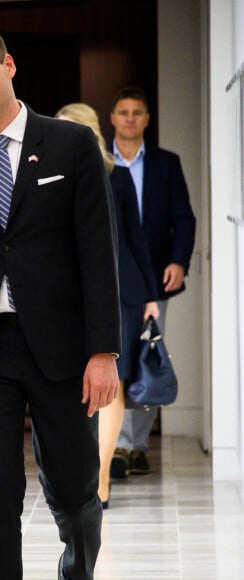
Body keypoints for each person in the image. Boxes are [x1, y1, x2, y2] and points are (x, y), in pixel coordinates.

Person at [0, 26, 121, 580]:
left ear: (9, 66)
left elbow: (97, 255)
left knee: (76, 491)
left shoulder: (70, 144)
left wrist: (104, 350)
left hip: (62, 348)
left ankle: (76, 571)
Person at [56, 102, 160, 508]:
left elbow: (136, 238)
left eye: (67, 130)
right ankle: (83, 476)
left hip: (120, 292)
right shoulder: (48, 176)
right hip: (69, 296)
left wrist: (151, 295)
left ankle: (100, 481)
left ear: (86, 133)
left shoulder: (114, 176)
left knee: (110, 385)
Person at [109, 87, 196, 478]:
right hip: (110, 280)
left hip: (156, 278)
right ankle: (116, 446)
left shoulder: (166, 164)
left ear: (146, 119)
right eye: (123, 112)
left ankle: (135, 446)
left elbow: (185, 218)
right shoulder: (101, 162)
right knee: (116, 359)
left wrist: (179, 261)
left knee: (147, 359)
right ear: (112, 118)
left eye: (137, 112)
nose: (130, 118)